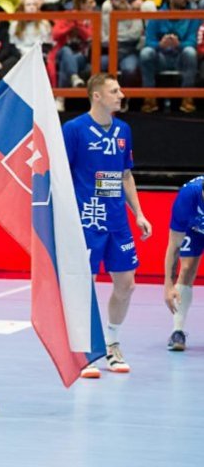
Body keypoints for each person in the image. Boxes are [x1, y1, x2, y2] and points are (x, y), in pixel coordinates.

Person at [62, 73, 152, 378]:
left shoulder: (123, 130)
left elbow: (126, 175)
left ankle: (112, 342)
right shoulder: (73, 130)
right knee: (83, 285)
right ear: (96, 96)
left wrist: (138, 213)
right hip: (86, 219)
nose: (121, 94)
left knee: (126, 283)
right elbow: (59, 175)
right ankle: (86, 349)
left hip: (116, 220)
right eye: (114, 91)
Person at [138, 0, 199, 113]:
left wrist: (179, 45)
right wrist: (160, 45)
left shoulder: (193, 14)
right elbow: (149, 41)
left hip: (180, 57)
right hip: (161, 57)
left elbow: (192, 41)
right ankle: (149, 98)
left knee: (190, 52)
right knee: (146, 53)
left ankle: (187, 98)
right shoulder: (158, 15)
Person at [163, 175, 204, 352]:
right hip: (194, 228)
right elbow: (174, 245)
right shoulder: (188, 196)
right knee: (186, 269)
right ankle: (177, 331)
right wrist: (168, 285)